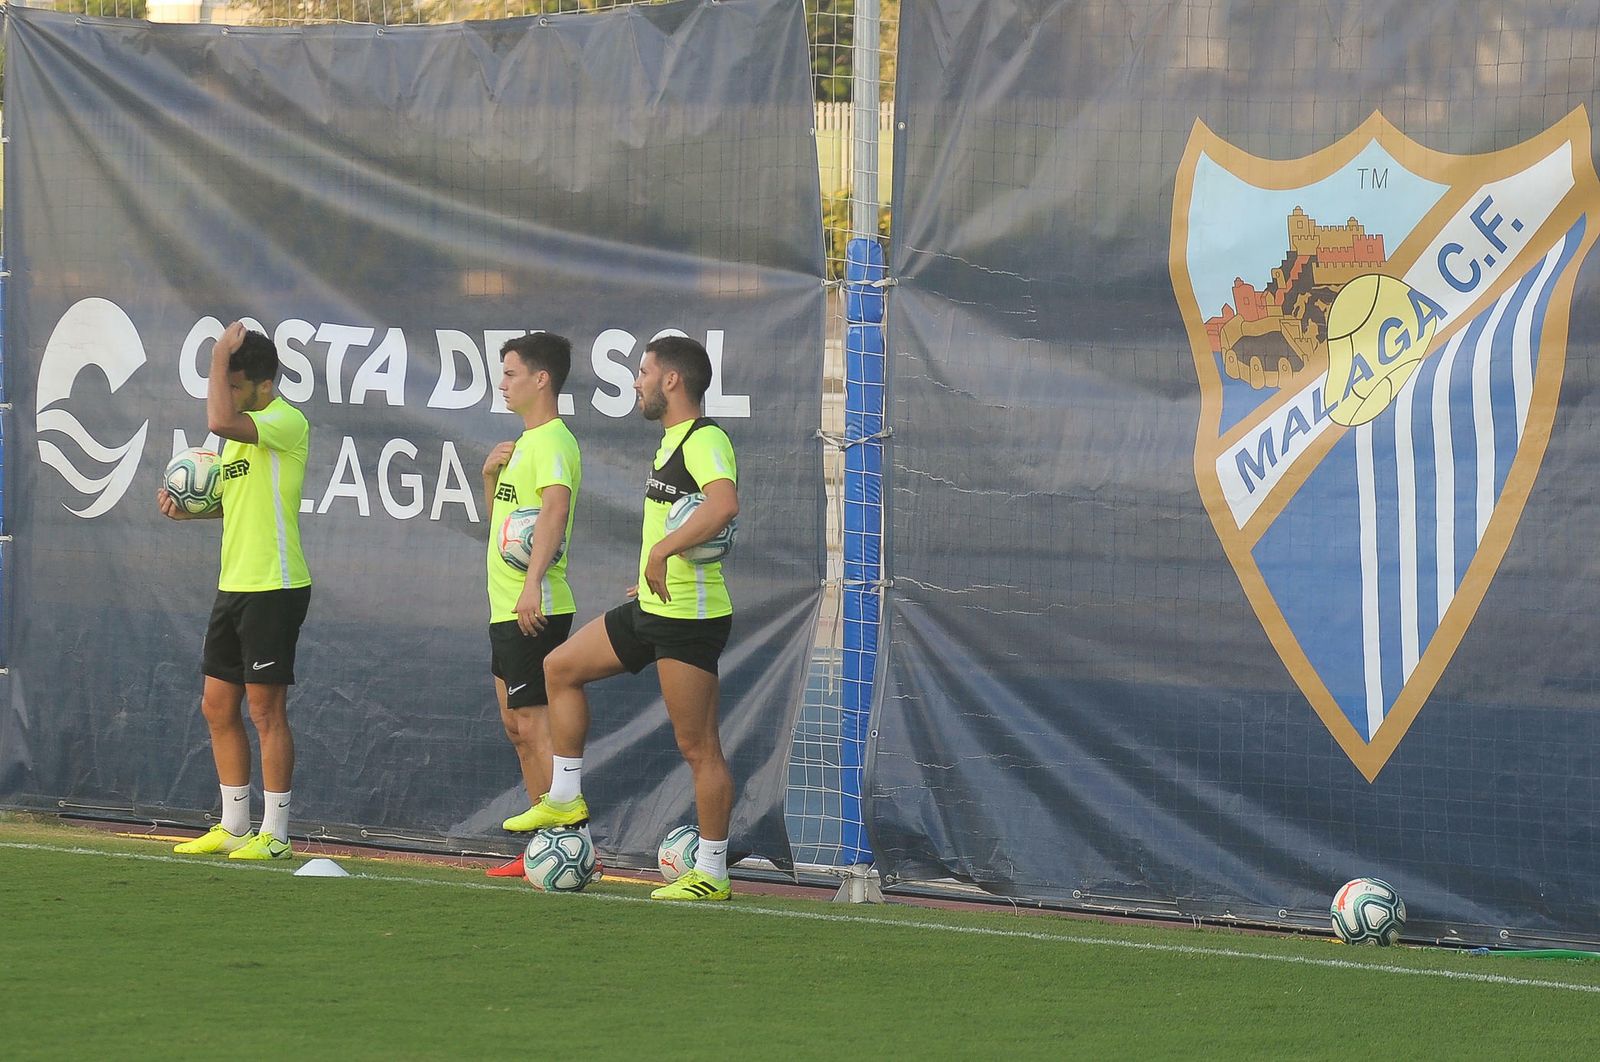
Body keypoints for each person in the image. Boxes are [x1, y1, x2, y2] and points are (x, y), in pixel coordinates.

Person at [522, 335, 740, 901]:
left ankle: (712, 873)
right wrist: (650, 568)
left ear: (672, 380)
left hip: (689, 618)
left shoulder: (704, 438)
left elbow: (723, 505)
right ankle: (566, 794)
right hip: (654, 607)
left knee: (699, 749)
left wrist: (662, 553)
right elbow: (683, 521)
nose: (637, 382)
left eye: (643, 372)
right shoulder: (669, 443)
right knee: (561, 667)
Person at [159, 322, 312, 861]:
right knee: (216, 705)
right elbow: (238, 504)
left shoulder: (284, 421)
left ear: (263, 386)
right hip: (235, 584)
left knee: (266, 712)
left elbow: (220, 418)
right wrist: (191, 511)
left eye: (235, 382)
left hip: (276, 584)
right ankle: (234, 824)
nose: (227, 391)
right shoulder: (238, 439)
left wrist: (218, 354)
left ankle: (276, 834)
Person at [478, 333, 591, 879]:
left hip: (534, 605)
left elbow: (554, 512)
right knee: (517, 728)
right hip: (505, 606)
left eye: (511, 373)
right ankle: (542, 850)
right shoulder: (522, 444)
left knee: (536, 726)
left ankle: (572, 849)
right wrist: (489, 480)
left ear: (541, 379)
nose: (503, 383)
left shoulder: (552, 441)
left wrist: (533, 585)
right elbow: (506, 528)